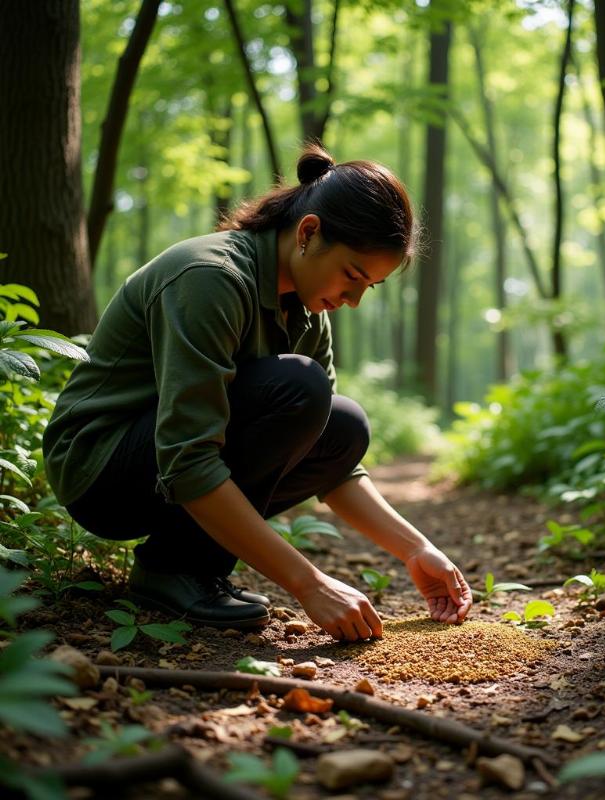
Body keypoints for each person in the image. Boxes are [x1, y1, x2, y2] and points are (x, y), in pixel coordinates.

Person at [43, 143, 472, 641]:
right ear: (308, 233)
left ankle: (177, 567)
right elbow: (186, 457)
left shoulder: (308, 308)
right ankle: (175, 569)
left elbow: (332, 465)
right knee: (302, 386)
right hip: (100, 469)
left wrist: (416, 549)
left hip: (163, 463)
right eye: (353, 275)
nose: (353, 300)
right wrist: (308, 584)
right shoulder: (210, 277)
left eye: (368, 287)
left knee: (343, 426)